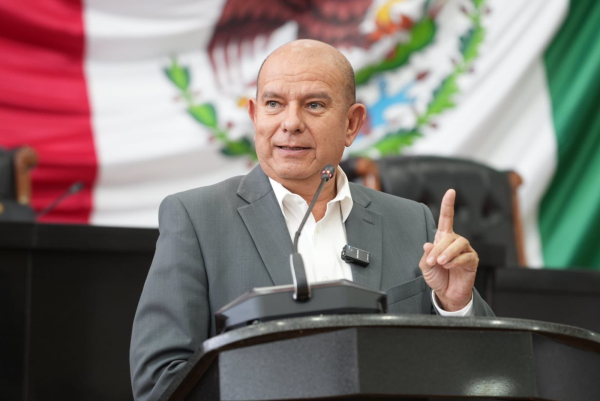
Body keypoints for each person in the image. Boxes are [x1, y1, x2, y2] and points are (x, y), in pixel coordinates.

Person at [130, 40, 494, 401]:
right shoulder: (196, 218)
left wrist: (455, 306)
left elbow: (486, 376)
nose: (291, 123)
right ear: (255, 115)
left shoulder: (413, 222)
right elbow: (161, 382)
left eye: (314, 105)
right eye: (274, 104)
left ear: (351, 123)